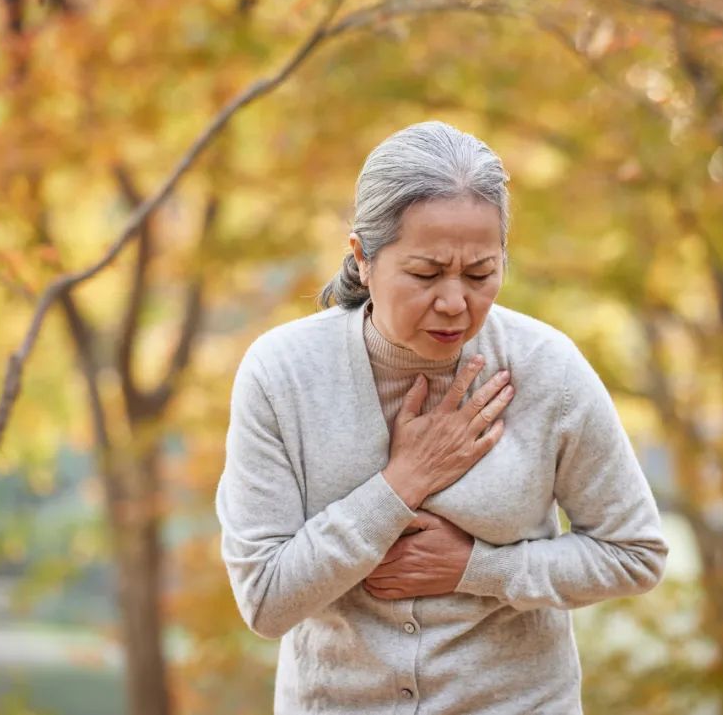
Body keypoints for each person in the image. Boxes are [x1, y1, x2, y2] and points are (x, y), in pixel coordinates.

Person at [215, 120, 669, 714]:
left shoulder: (546, 370)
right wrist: (401, 483)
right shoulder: (282, 375)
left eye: (481, 274)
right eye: (426, 274)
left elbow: (634, 553)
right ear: (362, 259)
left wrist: (481, 569)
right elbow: (266, 600)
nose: (456, 302)